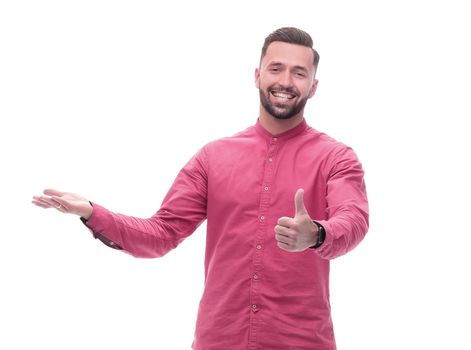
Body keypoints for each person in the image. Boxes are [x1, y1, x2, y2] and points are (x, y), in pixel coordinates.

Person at [32, 27, 369, 350]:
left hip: (302, 343)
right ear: (257, 76)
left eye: (299, 73)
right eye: (276, 68)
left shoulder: (336, 158)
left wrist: (317, 235)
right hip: (219, 341)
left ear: (313, 86)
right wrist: (93, 213)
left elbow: (353, 220)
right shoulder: (213, 157)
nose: (285, 81)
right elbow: (161, 233)